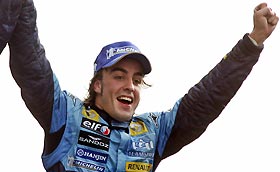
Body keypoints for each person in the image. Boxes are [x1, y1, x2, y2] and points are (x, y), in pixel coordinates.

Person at [0, 0, 278, 172]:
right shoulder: (65, 114)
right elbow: (31, 65)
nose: (130, 87)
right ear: (97, 84)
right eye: (119, 76)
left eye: (136, 80)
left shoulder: (153, 131)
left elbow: (206, 99)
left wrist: (252, 42)